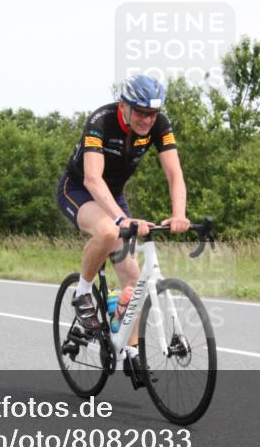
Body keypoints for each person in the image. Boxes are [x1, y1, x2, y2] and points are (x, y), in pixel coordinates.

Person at [56, 75, 190, 382]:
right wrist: (120, 219)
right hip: (78, 189)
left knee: (134, 280)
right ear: (124, 106)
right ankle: (83, 293)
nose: (147, 119)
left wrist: (179, 214)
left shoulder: (159, 124)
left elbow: (174, 173)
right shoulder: (100, 122)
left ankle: (129, 350)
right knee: (107, 232)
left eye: (152, 113)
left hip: (112, 196)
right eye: (140, 111)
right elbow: (92, 179)